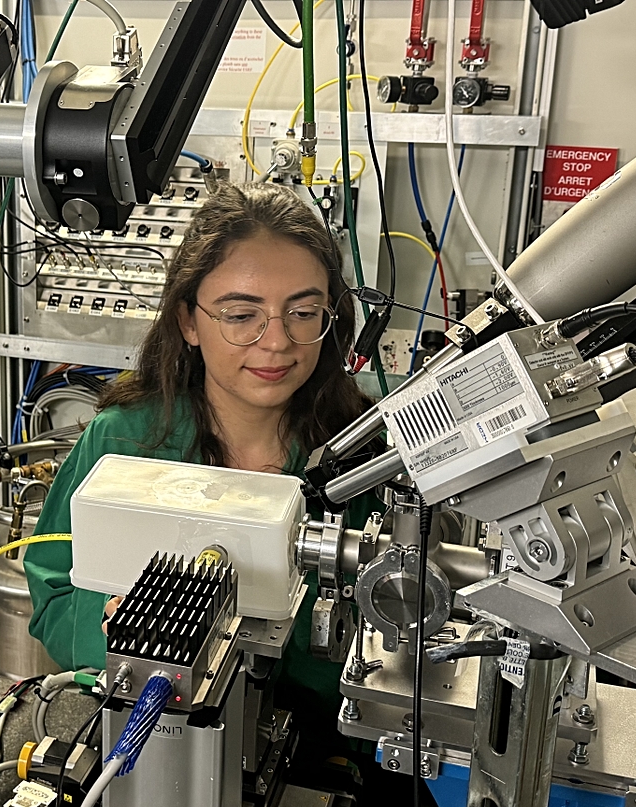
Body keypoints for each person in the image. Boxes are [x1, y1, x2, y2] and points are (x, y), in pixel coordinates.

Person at [24, 181, 381, 733]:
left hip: (312, 746)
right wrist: (127, 630)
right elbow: (52, 594)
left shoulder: (362, 455)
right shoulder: (123, 442)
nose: (277, 342)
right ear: (189, 321)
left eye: (303, 312)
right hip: (151, 728)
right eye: (241, 315)